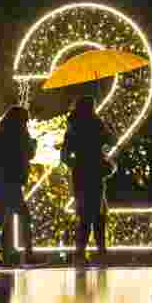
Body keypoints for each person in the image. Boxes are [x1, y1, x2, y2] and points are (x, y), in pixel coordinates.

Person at [61, 96, 114, 264]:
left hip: (81, 172)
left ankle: (82, 251)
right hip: (94, 171)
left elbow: (65, 152)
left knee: (87, 212)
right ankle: (98, 251)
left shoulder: (73, 125)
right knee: (96, 213)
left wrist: (74, 164)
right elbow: (109, 141)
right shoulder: (95, 123)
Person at [0, 106, 37, 266]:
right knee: (24, 217)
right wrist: (33, 143)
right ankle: (28, 255)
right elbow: (29, 153)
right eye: (25, 120)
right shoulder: (20, 135)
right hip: (11, 183)